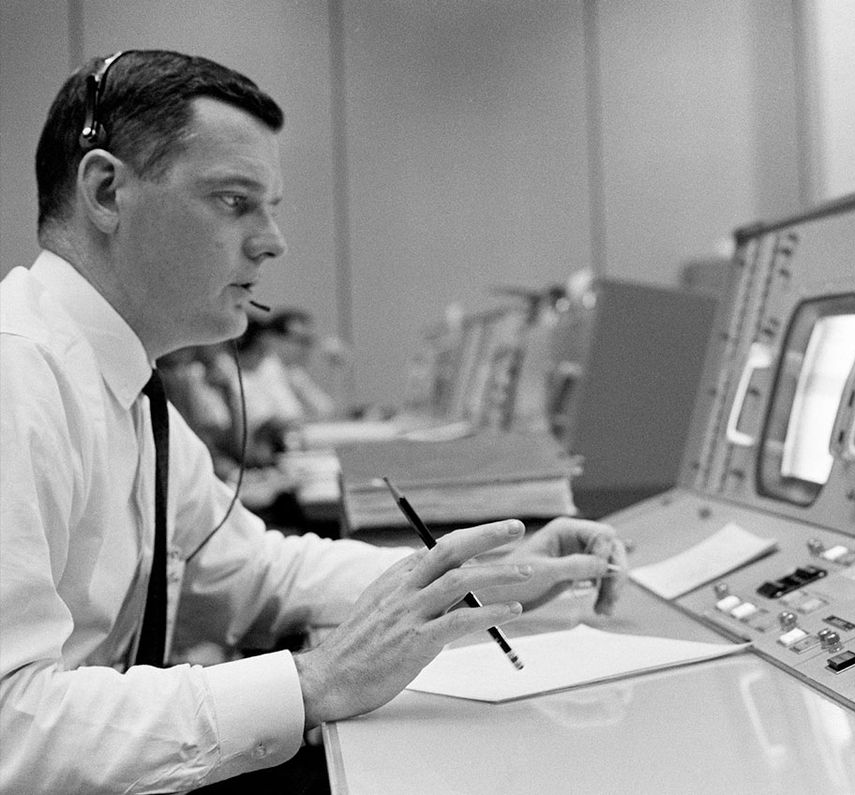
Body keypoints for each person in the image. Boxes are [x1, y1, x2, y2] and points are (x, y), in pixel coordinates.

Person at [0, 49, 627, 793]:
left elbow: (255, 570)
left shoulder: (122, 384)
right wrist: (314, 679)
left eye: (272, 208)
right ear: (107, 190)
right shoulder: (18, 377)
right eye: (234, 201)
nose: (272, 241)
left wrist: (488, 578)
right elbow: (13, 724)